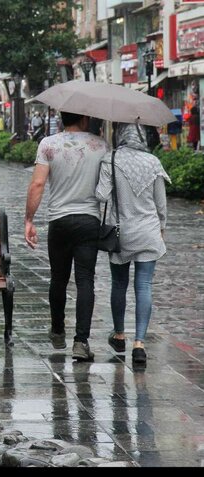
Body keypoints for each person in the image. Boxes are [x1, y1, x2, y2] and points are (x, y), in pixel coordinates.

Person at [24, 111, 109, 361]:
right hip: (88, 220)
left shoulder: (48, 144)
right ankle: (81, 341)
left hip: (59, 221)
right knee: (85, 281)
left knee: (58, 278)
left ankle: (58, 329)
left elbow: (37, 184)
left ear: (62, 118)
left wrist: (29, 219)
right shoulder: (100, 145)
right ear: (85, 119)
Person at [95, 122, 170, 365]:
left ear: (120, 136)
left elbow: (101, 195)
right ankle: (139, 343)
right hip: (148, 231)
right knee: (144, 285)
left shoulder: (111, 159)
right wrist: (162, 227)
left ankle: (119, 334)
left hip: (122, 232)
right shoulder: (153, 162)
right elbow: (161, 204)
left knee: (119, 284)